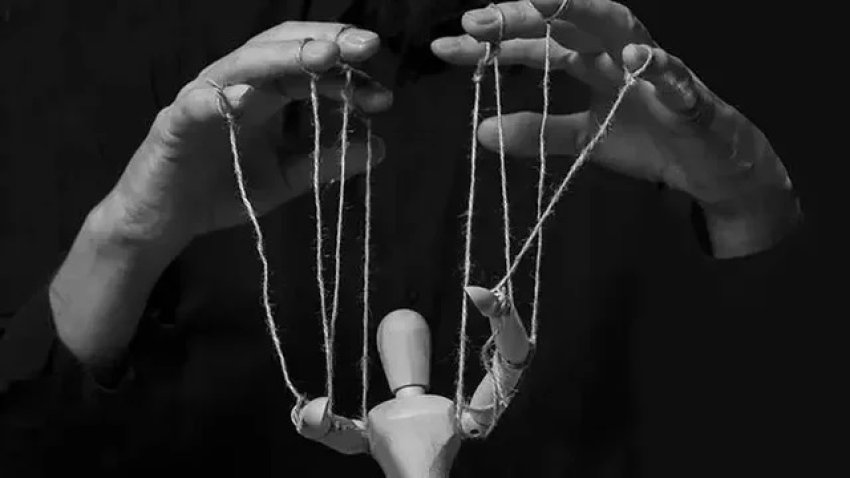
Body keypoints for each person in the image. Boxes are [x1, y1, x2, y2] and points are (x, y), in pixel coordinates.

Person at [0, 0, 808, 476]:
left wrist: (749, 206)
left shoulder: (656, 60)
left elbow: (773, 420)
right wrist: (126, 237)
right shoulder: (73, 44)